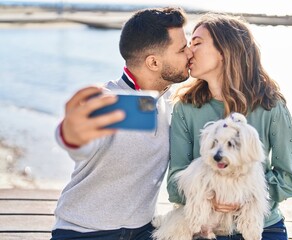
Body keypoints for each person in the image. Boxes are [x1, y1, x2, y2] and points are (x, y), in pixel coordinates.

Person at [51, 7, 193, 240]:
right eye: (181, 49)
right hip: (84, 233)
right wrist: (69, 134)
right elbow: (80, 142)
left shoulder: (171, 100)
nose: (189, 53)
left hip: (143, 232)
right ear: (154, 62)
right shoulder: (109, 101)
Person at [167, 13, 292, 240]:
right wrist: (211, 195)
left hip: (262, 228)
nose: (189, 51)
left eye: (197, 43)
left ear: (224, 51)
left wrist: (242, 195)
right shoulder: (185, 108)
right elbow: (174, 184)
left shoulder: (271, 106)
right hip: (202, 229)